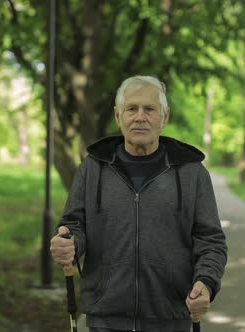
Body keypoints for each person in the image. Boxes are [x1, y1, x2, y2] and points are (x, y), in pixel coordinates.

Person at [50, 75, 227, 332]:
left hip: (170, 318)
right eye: (131, 109)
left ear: (164, 117)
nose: (140, 117)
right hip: (105, 319)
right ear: (118, 116)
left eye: (149, 109)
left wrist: (206, 282)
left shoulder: (192, 173)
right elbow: (73, 225)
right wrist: (68, 244)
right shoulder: (92, 168)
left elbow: (210, 240)